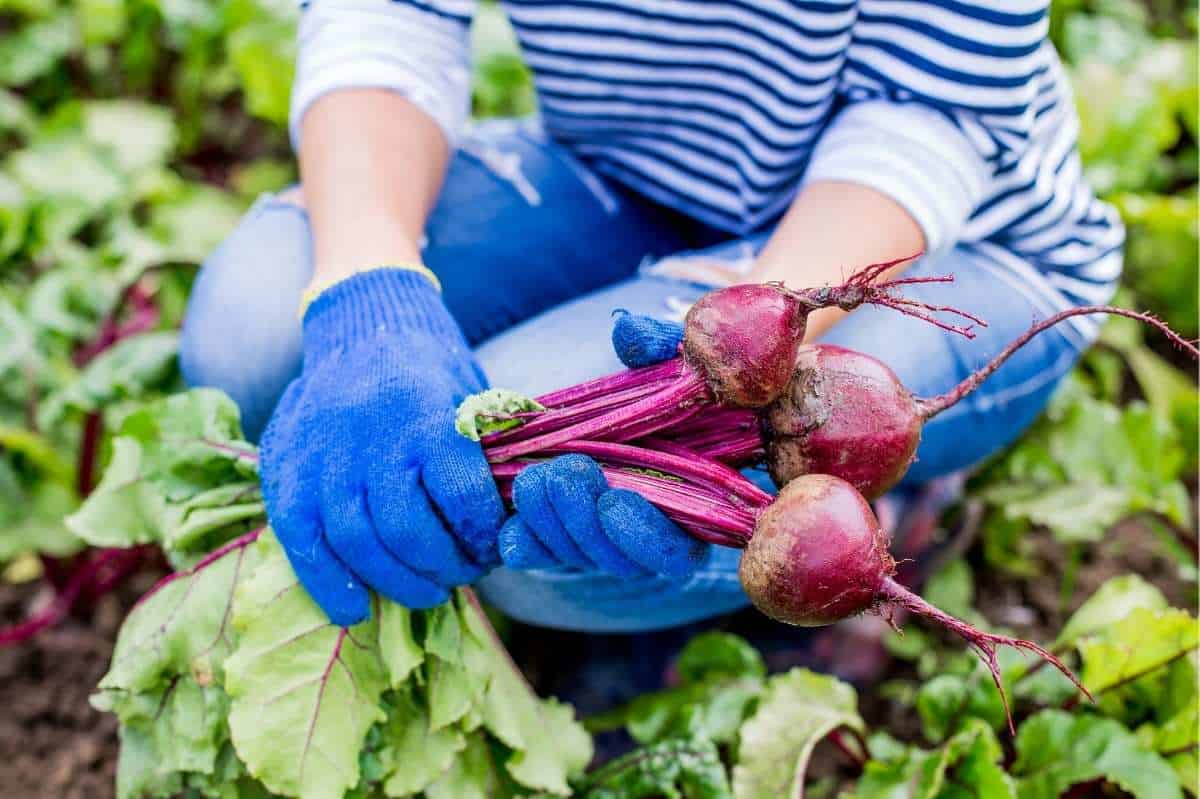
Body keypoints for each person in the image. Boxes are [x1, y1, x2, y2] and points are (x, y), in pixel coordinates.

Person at [180, 0, 1123, 634]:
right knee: (255, 330)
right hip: (636, 183)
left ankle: (880, 497)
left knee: (540, 521)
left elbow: (928, 108)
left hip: (936, 239)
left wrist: (742, 349)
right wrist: (368, 294)